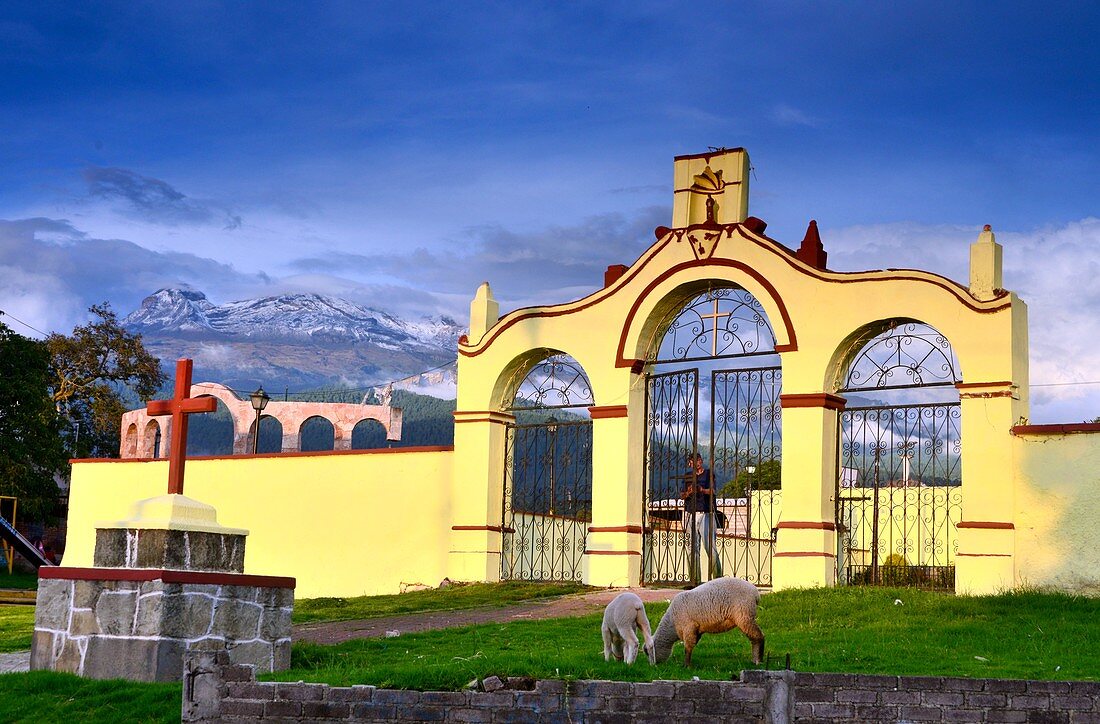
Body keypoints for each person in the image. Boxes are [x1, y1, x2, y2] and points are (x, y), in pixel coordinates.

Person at [681, 453, 723, 582]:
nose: (696, 463)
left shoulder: (709, 474)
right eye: (693, 461)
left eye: (698, 460)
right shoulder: (688, 476)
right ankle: (694, 580)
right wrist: (689, 492)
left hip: (706, 512)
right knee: (691, 549)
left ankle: (718, 579)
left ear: (701, 461)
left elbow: (713, 491)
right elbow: (682, 495)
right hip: (690, 513)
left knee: (710, 547)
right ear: (690, 463)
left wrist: (701, 489)